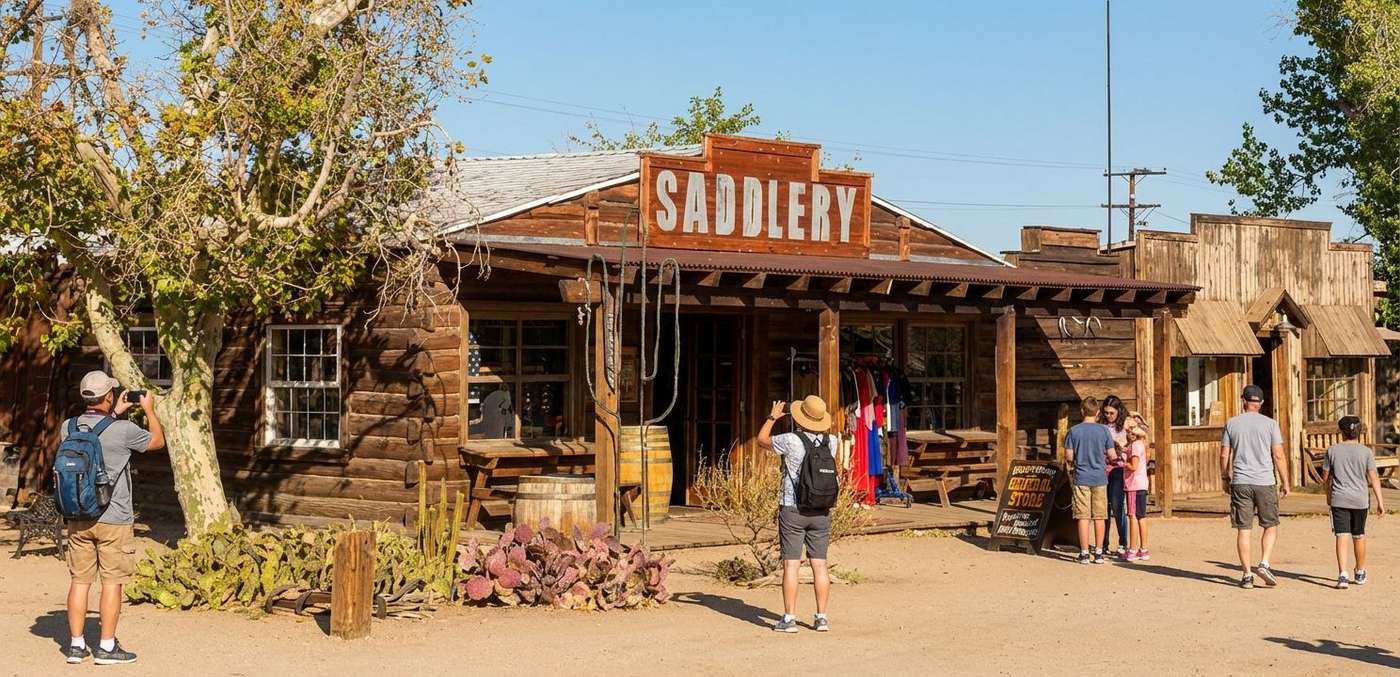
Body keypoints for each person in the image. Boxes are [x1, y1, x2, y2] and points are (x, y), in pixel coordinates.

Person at [61, 371, 165, 665]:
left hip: (78, 515)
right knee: (112, 582)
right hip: (114, 517)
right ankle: (106, 647)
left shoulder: (67, 427)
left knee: (80, 581)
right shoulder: (124, 430)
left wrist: (115, 412)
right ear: (108, 396)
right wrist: (148, 409)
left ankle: (76, 646)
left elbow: (94, 432)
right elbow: (156, 442)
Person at [758, 395, 837, 634]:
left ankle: (789, 618)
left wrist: (773, 417)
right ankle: (821, 617)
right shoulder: (831, 441)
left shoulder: (791, 440)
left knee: (791, 565)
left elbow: (761, 441)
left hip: (793, 508)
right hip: (821, 510)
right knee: (820, 565)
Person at [1220, 384, 1289, 589]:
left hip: (1241, 480)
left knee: (1244, 529)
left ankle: (1247, 575)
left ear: (1244, 402)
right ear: (1261, 403)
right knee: (1270, 525)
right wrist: (1285, 481)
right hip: (1265, 481)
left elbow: (1224, 454)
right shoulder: (1270, 424)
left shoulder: (1232, 423)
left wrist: (1225, 476)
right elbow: (1278, 455)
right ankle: (1265, 562)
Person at [1322, 415, 1387, 589]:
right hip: (1360, 500)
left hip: (1339, 498)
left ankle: (1343, 574)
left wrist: (1328, 496)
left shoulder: (1332, 450)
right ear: (1359, 432)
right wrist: (1380, 502)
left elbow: (1326, 478)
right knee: (1359, 535)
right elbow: (1374, 478)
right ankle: (1360, 571)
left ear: (1341, 432)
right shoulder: (1366, 452)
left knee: (1341, 535)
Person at [1066, 396, 1117, 564]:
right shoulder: (1103, 431)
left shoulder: (1074, 431)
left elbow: (1069, 456)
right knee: (1100, 516)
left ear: (1082, 411)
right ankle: (1099, 553)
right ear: (1097, 413)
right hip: (1100, 478)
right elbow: (1112, 455)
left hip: (1081, 477)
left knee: (1083, 516)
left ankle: (1084, 553)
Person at [1098, 395, 1129, 558]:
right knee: (1103, 508)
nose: (1109, 416)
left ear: (1118, 412)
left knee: (1117, 506)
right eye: (1106, 413)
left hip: (1118, 469)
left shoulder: (1124, 426)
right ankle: (1103, 543)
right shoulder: (1101, 425)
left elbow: (1142, 431)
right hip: (1103, 468)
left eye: (1111, 413)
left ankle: (1123, 542)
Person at [1122, 413, 1151, 562]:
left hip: (1133, 485)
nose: (1128, 433)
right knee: (1141, 516)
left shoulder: (1134, 446)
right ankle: (1144, 549)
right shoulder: (1142, 445)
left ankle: (1132, 549)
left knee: (1132, 516)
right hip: (1142, 484)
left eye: (1130, 430)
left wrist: (1122, 463)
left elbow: (1133, 466)